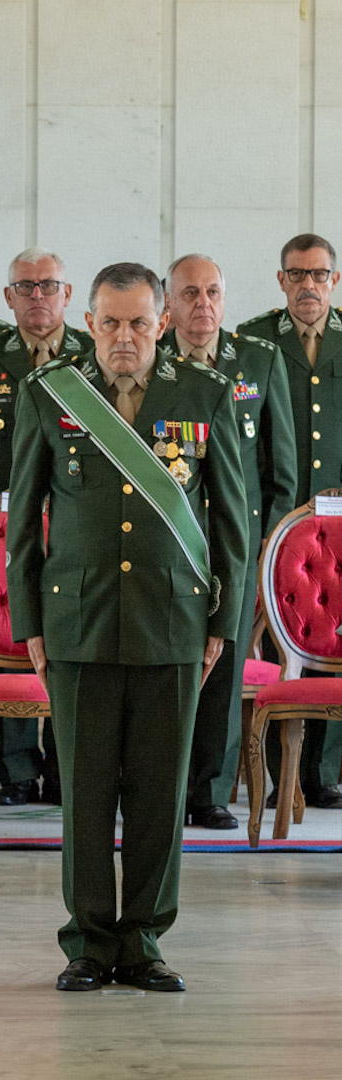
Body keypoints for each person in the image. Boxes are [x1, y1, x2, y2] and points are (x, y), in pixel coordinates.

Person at [6, 262, 247, 993]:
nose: (123, 336)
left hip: (172, 620)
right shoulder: (51, 395)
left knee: (158, 789)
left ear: (163, 323)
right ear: (90, 323)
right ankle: (87, 941)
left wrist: (221, 624)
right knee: (82, 791)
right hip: (76, 620)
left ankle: (142, 938)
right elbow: (24, 521)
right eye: (109, 322)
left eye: (138, 322)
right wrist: (31, 625)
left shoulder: (204, 395)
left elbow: (234, 525)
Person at [163, 255, 294, 830]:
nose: (203, 305)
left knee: (225, 668)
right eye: (190, 293)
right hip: (171, 544)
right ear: (168, 303)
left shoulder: (259, 360)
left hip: (235, 547)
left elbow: (281, 470)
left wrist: (269, 546)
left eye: (213, 292)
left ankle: (209, 791)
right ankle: (160, 787)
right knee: (167, 667)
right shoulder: (153, 362)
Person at [0, 247, 92, 807]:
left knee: (68, 644)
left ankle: (66, 770)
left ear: (68, 294)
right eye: (25, 287)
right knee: (11, 637)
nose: (37, 295)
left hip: (73, 526)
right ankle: (16, 773)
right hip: (2, 532)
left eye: (48, 285)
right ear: (8, 297)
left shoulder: (93, 357)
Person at [238, 233, 342, 808]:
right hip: (280, 520)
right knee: (282, 648)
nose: (308, 285)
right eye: (297, 275)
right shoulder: (253, 341)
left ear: (334, 280)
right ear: (281, 281)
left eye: (319, 274)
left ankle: (323, 774)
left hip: (341, 524)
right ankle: (280, 774)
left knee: (336, 641)